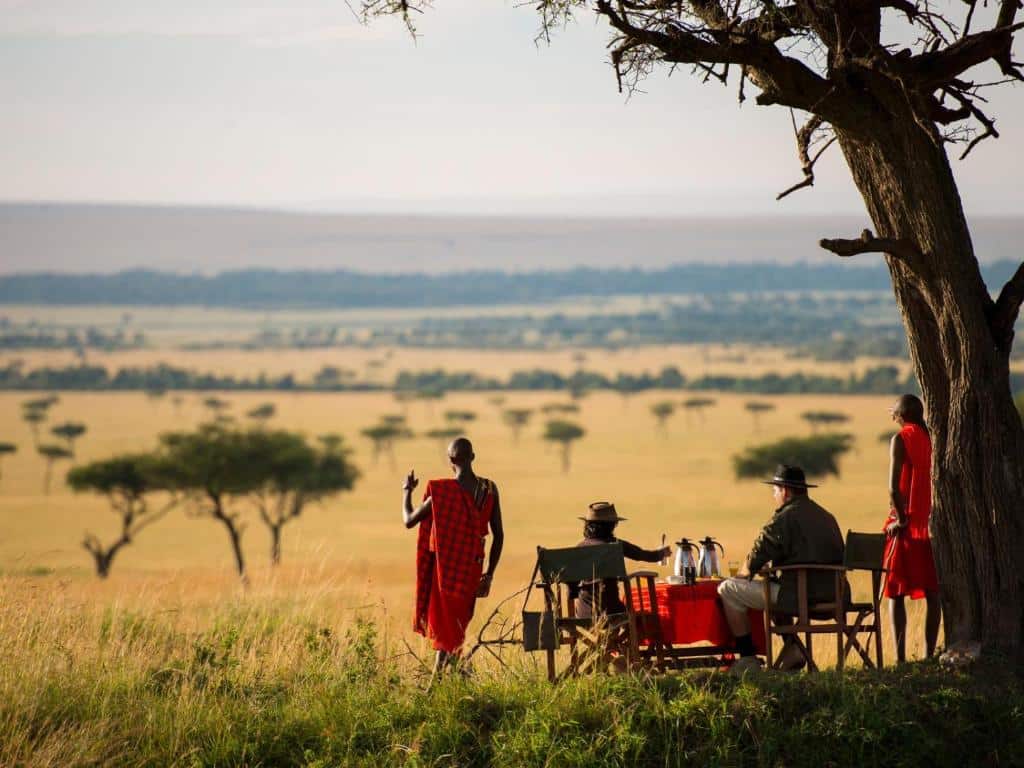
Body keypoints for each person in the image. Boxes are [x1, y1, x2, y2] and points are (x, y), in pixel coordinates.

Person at [717, 464, 844, 673]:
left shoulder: (785, 517)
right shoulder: (827, 517)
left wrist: (742, 574)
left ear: (785, 490)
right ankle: (792, 648)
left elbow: (757, 555)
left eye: (775, 491)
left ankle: (747, 658)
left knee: (728, 590)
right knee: (775, 587)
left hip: (801, 596)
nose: (774, 496)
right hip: (834, 594)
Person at [402, 437, 504, 681]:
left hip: (445, 571)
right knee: (455, 627)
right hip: (472, 569)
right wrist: (488, 574)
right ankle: (458, 676)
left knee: (449, 628)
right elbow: (499, 536)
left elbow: (409, 520)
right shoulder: (489, 489)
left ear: (450, 461)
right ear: (473, 457)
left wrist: (407, 491)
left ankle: (437, 683)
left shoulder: (441, 493)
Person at [883, 393, 941, 661]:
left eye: (893, 411)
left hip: (907, 526)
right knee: (933, 591)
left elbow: (894, 488)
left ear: (902, 415)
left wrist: (900, 519)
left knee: (895, 591)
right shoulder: (932, 437)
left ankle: (901, 658)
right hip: (932, 524)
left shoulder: (900, 438)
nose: (892, 415)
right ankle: (929, 655)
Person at [574, 501, 671, 618]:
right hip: (611, 610)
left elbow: (571, 585)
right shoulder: (615, 545)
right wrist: (661, 553)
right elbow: (641, 555)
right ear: (611, 525)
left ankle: (609, 637)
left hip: (582, 612)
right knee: (640, 620)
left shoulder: (579, 548)